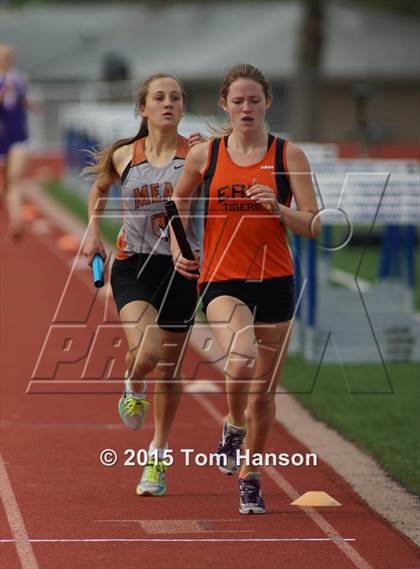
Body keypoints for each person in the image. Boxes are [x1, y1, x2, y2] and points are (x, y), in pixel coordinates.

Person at [171, 63, 320, 514]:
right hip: (222, 279)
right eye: (237, 100)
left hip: (275, 279)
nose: (246, 107)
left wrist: (277, 207)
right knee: (241, 361)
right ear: (224, 104)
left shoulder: (287, 156)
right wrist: (183, 247)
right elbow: (177, 201)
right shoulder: (207, 156)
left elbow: (312, 225)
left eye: (254, 99)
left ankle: (250, 475)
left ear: (268, 102)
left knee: (265, 394)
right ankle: (232, 426)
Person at [82, 73, 203, 497]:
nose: (167, 103)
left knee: (168, 372)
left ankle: (157, 456)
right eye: (159, 97)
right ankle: (133, 384)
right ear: (143, 108)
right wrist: (93, 230)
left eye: (175, 97)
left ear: (183, 107)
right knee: (148, 353)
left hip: (182, 270)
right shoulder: (123, 156)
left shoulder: (199, 154)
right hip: (133, 265)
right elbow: (98, 189)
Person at [0, 44, 33, 238]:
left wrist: (31, 105)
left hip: (17, 135)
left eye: (8, 56)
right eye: (2, 55)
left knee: (14, 179)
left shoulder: (19, 78)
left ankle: (16, 220)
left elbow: (22, 100)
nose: (5, 59)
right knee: (4, 183)